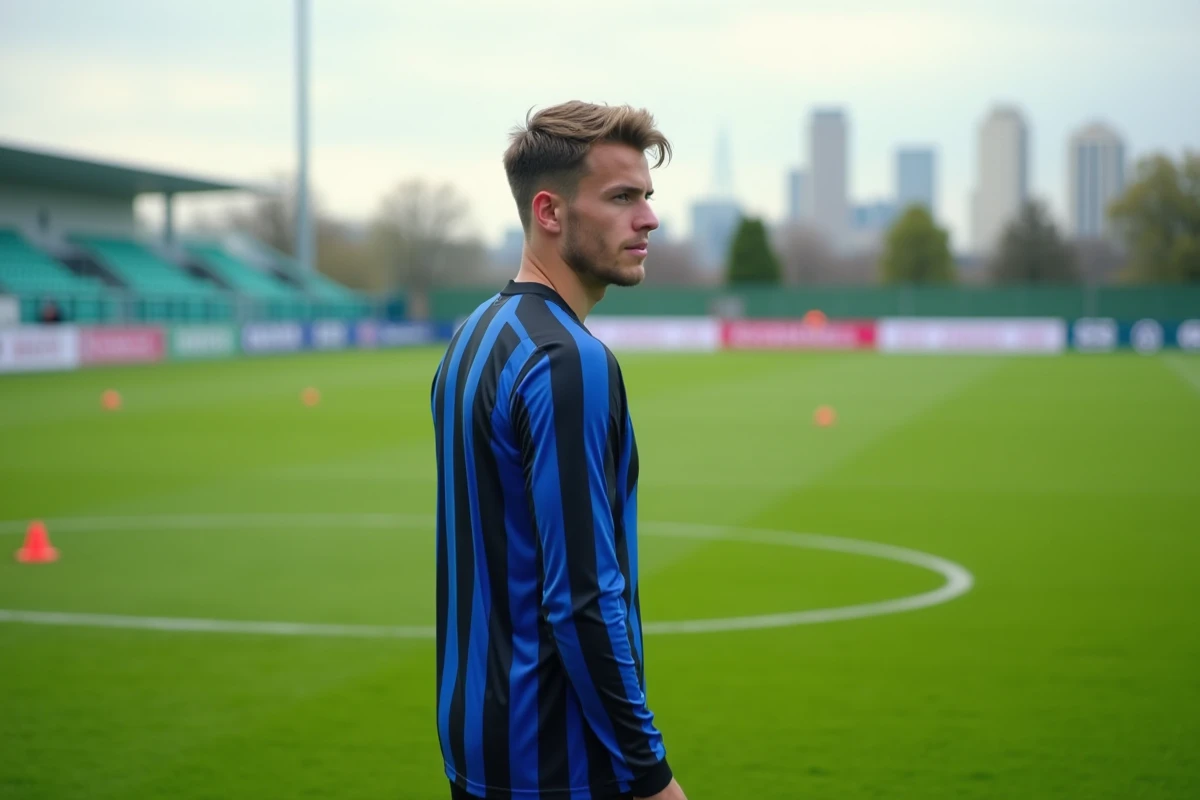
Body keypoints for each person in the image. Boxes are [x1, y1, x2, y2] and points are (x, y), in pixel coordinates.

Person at [430, 101, 686, 800]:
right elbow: (582, 597)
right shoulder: (568, 361)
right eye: (622, 198)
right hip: (558, 762)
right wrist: (651, 775)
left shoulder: (477, 334)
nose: (649, 220)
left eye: (648, 198)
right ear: (550, 211)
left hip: (476, 747)